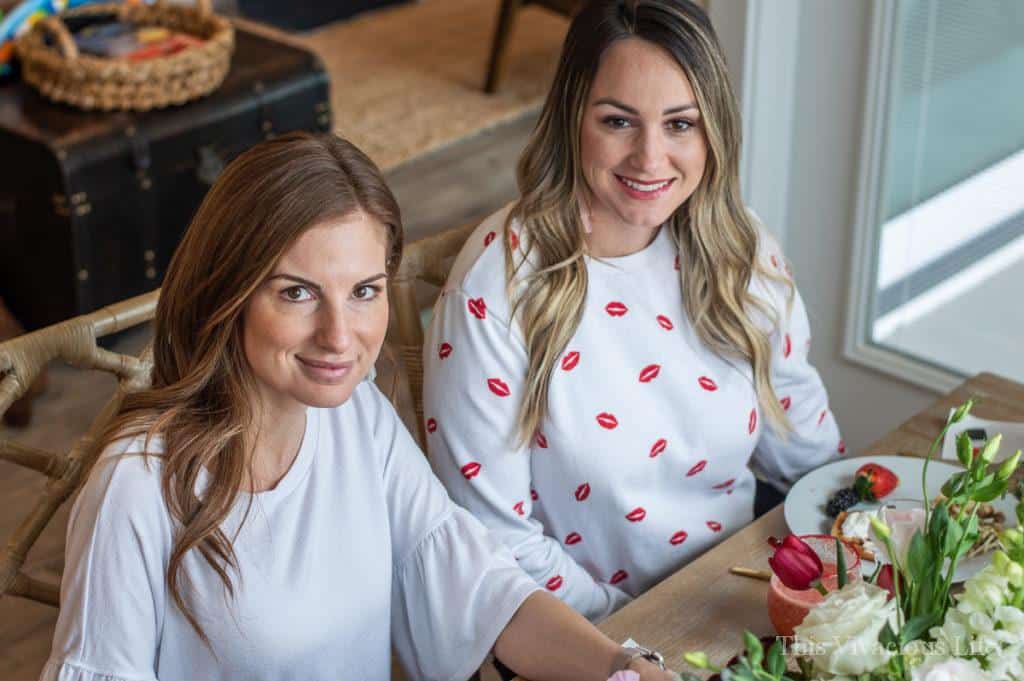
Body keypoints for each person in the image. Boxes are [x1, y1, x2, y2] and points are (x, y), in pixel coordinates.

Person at [40, 133, 678, 681]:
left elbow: (481, 589)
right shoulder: (137, 486)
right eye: (297, 293)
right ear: (227, 292)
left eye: (364, 291)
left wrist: (623, 666)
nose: (340, 337)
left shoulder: (354, 417)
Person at [423, 0, 843, 629]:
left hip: (744, 596)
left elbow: (807, 456)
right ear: (572, 119)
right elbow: (496, 542)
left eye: (681, 124)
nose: (650, 158)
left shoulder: (739, 247)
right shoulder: (499, 286)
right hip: (590, 636)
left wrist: (856, 547)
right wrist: (643, 636)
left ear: (714, 131)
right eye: (619, 121)